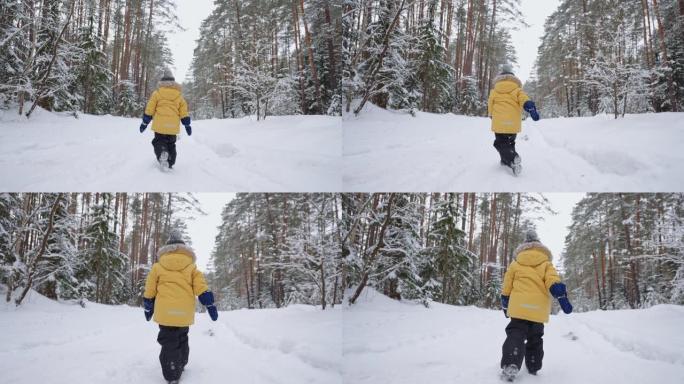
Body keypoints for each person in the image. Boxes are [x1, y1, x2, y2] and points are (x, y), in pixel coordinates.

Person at [143, 230, 218, 384]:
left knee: (168, 341)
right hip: (184, 314)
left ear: (167, 247)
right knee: (182, 337)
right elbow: (201, 287)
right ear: (183, 247)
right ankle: (181, 363)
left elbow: (150, 289)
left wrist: (148, 304)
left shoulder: (158, 267)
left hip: (165, 314)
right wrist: (209, 303)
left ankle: (172, 374)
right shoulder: (191, 267)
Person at [500, 230, 573, 382]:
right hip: (538, 311)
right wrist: (559, 293)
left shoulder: (516, 263)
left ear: (524, 246)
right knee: (535, 337)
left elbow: (507, 285)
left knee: (516, 334)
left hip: (519, 309)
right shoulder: (546, 264)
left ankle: (511, 362)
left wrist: (505, 303)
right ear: (539, 245)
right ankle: (533, 365)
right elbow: (553, 280)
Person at [487, 64, 540, 176]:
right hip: (513, 124)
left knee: (500, 143)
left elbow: (490, 104)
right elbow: (524, 99)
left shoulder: (494, 91)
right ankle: (508, 162)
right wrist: (528, 105)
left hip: (499, 123)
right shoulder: (517, 90)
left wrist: (491, 115)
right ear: (513, 77)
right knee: (509, 143)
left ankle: (513, 157)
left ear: (500, 77)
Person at [139, 68, 192, 170]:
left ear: (162, 82)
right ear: (173, 82)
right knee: (171, 144)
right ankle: (170, 162)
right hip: (172, 127)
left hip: (160, 126)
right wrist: (187, 125)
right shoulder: (179, 96)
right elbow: (183, 112)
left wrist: (145, 123)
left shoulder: (157, 93)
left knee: (158, 141)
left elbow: (150, 109)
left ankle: (163, 153)